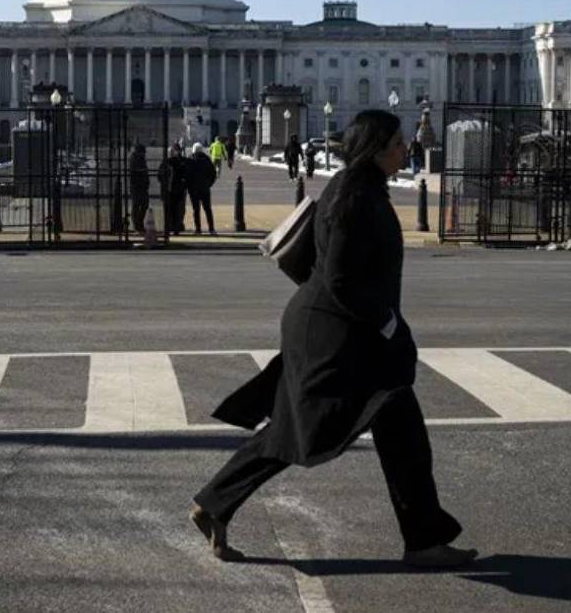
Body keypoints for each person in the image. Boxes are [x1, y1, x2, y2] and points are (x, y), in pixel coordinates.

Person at [189, 109, 477, 569]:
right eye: (399, 143)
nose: (407, 149)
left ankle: (423, 539)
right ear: (377, 148)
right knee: (303, 431)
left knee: (389, 425)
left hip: (338, 328)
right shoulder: (355, 195)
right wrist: (387, 324)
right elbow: (341, 278)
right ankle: (215, 502)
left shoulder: (362, 188)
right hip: (336, 334)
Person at [157, 143, 190, 235]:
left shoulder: (167, 162)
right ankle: (175, 227)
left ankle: (171, 227)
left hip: (172, 189)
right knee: (176, 210)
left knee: (172, 209)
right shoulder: (182, 162)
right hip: (177, 189)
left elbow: (160, 176)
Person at [187, 142, 217, 235]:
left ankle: (198, 229)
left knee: (196, 210)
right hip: (205, 188)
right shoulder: (207, 159)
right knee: (208, 209)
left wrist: (189, 185)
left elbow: (187, 175)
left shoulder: (190, 160)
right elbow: (213, 174)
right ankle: (211, 229)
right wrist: (209, 184)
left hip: (194, 189)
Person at [128, 142, 150, 232]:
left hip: (143, 186)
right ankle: (137, 224)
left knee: (144, 205)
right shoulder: (134, 158)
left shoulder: (141, 159)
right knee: (136, 205)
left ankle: (139, 223)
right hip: (136, 186)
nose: (144, 154)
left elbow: (144, 171)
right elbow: (135, 171)